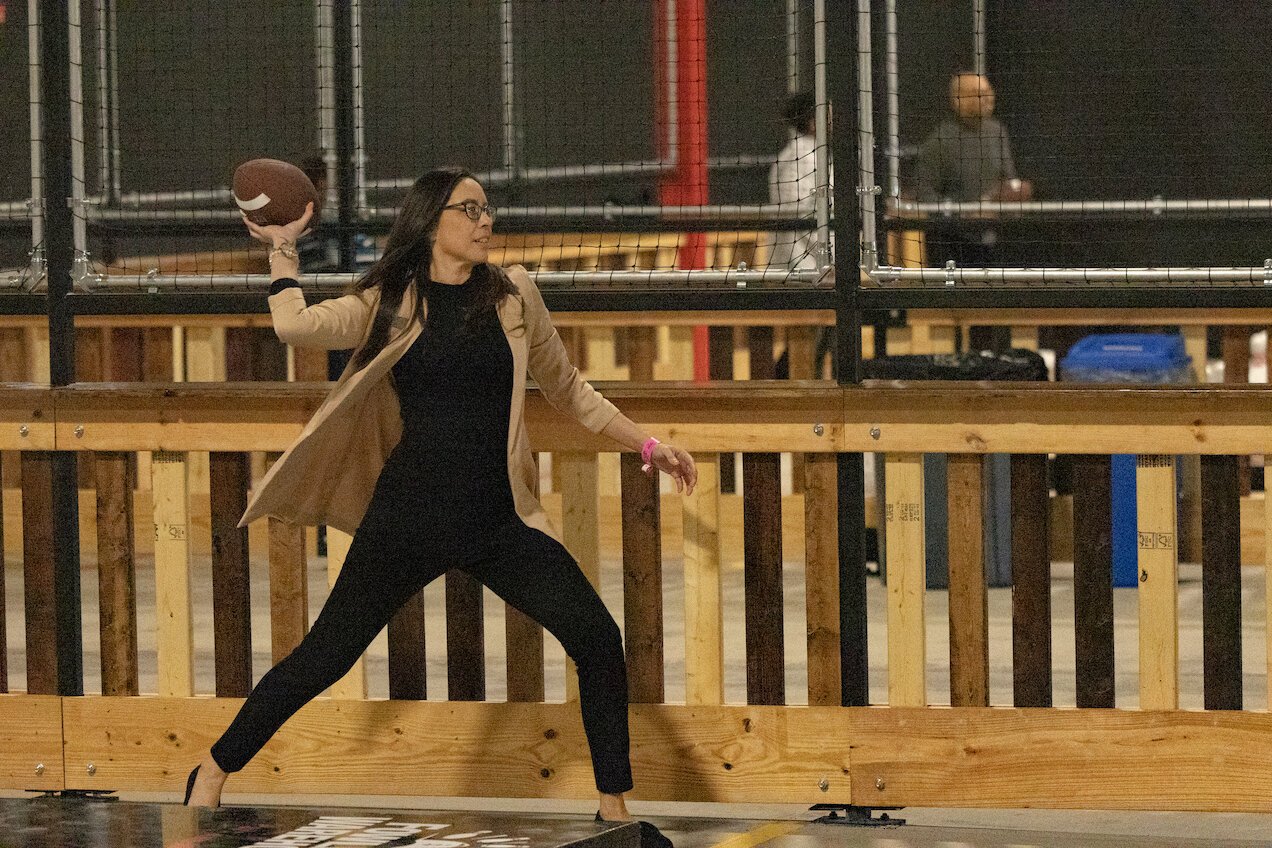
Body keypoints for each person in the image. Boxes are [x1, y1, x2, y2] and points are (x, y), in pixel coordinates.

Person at [183, 166, 695, 847]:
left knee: (597, 638)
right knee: (325, 655)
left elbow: (568, 389)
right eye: (471, 209)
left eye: (488, 210)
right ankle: (212, 772)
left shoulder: (515, 295)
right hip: (406, 520)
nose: (486, 221)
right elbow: (295, 328)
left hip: (497, 522)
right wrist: (282, 251)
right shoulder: (391, 299)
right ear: (431, 221)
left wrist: (649, 444)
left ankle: (613, 807)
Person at [913, 71, 1032, 268]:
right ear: (958, 100)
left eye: (988, 92)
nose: (987, 98)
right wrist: (965, 215)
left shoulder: (996, 131)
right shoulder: (940, 141)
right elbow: (925, 193)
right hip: (951, 245)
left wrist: (1011, 194)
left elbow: (1007, 178)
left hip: (992, 241)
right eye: (978, 93)